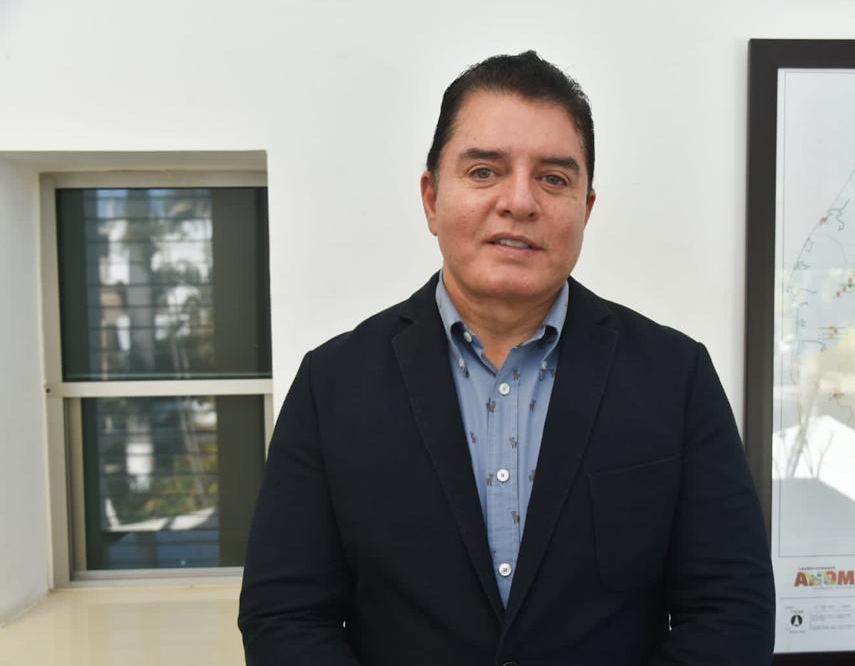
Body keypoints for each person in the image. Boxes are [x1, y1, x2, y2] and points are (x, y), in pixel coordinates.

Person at [238, 50, 775, 665]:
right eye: (485, 171)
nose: (520, 201)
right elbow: (285, 615)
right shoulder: (333, 383)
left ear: (586, 209)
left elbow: (732, 609)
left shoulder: (675, 377)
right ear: (432, 198)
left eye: (554, 179)